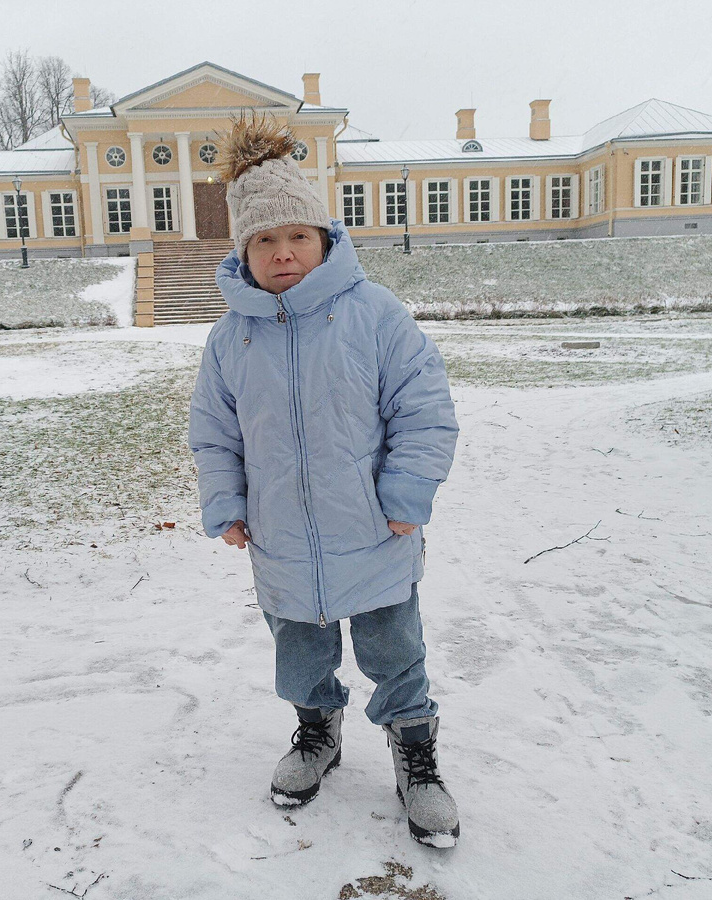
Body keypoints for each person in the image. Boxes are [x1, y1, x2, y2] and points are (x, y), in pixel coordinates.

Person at [187, 115, 461, 848]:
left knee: (394, 651)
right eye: (265, 240)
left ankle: (415, 749)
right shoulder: (230, 337)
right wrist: (227, 502)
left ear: (323, 238)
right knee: (301, 652)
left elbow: (425, 409)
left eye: (297, 236)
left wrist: (406, 494)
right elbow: (214, 433)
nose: (283, 253)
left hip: (373, 530)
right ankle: (317, 732)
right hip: (281, 538)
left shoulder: (374, 315)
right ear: (245, 250)